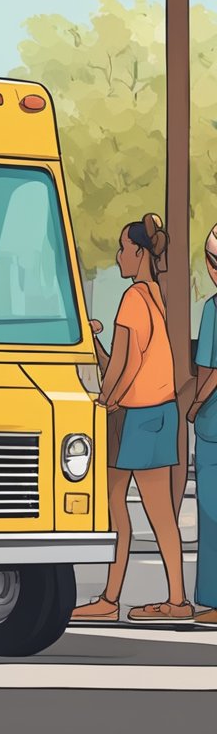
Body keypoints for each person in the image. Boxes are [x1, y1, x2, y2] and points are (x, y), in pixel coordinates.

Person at [72, 213, 192, 623]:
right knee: (158, 513)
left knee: (115, 507)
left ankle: (111, 599)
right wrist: (97, 346)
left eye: (123, 249)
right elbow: (126, 364)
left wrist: (102, 404)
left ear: (139, 252)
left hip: (133, 417)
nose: (119, 256)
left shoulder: (132, 300)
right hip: (159, 412)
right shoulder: (154, 296)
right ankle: (174, 598)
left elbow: (123, 367)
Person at [187, 225, 217, 627]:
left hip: (214, 426)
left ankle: (213, 599)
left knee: (211, 516)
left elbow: (209, 370)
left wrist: (194, 406)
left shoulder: (213, 309)